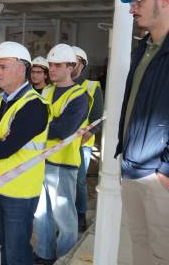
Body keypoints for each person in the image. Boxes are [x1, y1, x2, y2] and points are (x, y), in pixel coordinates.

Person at [0, 42, 50, 265]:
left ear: (21, 68)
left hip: (19, 192)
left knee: (16, 250)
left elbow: (2, 150)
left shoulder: (34, 106)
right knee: (3, 244)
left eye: (2, 67)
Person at [117, 0, 169, 264]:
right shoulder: (144, 48)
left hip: (157, 175)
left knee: (163, 251)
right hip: (133, 166)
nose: (132, 10)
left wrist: (165, 170)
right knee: (139, 242)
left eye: (138, 1)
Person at [33, 43, 89, 264]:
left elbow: (63, 129)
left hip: (63, 165)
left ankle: (64, 258)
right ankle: (44, 254)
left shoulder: (79, 95)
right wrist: (47, 124)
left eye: (57, 65)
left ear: (70, 67)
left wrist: (41, 125)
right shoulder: (46, 91)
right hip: (40, 161)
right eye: (51, 65)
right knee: (41, 215)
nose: (52, 69)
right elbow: (38, 122)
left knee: (64, 219)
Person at [71, 46, 104, 232]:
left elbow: (97, 118)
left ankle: (80, 214)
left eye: (73, 61)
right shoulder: (57, 86)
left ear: (82, 64)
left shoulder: (92, 87)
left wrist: (86, 135)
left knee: (79, 181)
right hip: (60, 144)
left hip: (82, 144)